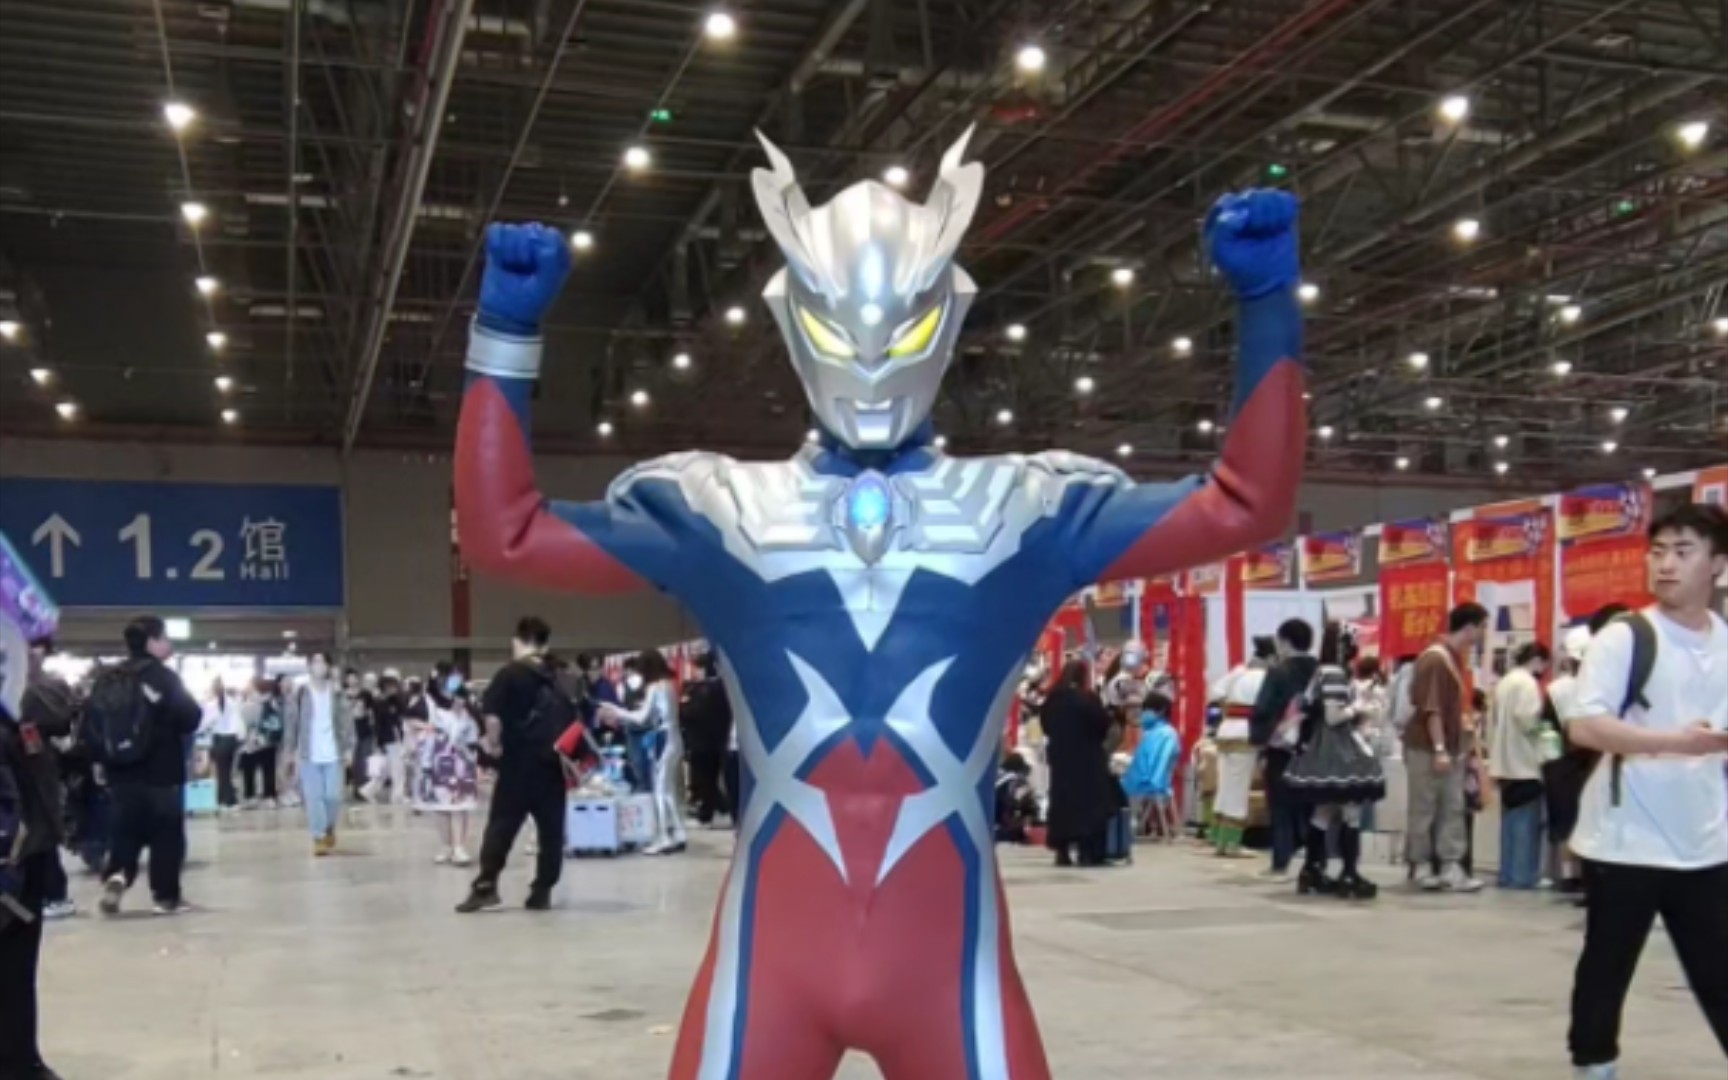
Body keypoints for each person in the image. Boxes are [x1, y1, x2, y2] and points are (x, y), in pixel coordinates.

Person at [452, 147, 1307, 1072]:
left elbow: (1245, 502)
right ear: (796, 320)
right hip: (780, 974)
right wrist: (502, 335)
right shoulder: (727, 510)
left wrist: (1269, 304)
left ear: (946, 317)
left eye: (902, 333)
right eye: (839, 332)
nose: (867, 362)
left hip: (936, 974)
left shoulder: (1021, 509)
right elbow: (505, 537)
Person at [1564, 504, 1728, 1079]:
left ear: (1718, 565)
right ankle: (1595, 1066)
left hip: (1704, 840)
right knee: (1607, 967)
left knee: (1719, 971)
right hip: (1624, 839)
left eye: (1683, 552)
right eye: (1657, 552)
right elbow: (1585, 726)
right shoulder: (1626, 637)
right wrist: (1676, 743)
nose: (1666, 565)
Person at [0, 539, 65, 1080]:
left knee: (18, 970)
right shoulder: (18, 691)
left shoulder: (22, 698)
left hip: (30, 847)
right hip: (12, 857)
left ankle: (22, 1058)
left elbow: (60, 716)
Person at [458, 616, 571, 913]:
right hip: (554, 766)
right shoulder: (561, 675)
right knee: (551, 831)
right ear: (545, 643)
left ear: (518, 640)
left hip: (518, 764)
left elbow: (493, 717)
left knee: (502, 825)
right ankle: (542, 890)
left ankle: (487, 885)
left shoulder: (510, 674)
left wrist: (493, 744)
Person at [90, 617, 201, 917]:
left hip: (120, 774)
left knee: (125, 831)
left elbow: (92, 725)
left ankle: (117, 876)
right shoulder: (164, 678)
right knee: (166, 836)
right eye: (164, 638)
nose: (168, 643)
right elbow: (191, 717)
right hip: (162, 772)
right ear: (151, 642)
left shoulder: (108, 678)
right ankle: (165, 897)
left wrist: (100, 761)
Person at [1284, 623, 1385, 899]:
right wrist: (1358, 707)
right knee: (1350, 810)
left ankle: (1311, 870)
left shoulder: (1322, 671)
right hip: (1336, 748)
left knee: (1324, 811)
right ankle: (1349, 873)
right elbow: (1333, 717)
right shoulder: (1335, 674)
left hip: (1321, 747)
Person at [1403, 602, 1489, 893]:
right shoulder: (1436, 659)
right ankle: (1421, 865)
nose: (1483, 634)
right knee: (1424, 806)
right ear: (1470, 627)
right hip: (1426, 747)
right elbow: (1432, 709)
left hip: (1451, 746)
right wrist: (1440, 748)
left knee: (1452, 806)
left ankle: (1451, 866)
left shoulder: (1452, 658)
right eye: (1482, 627)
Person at [1249, 619, 1321, 881]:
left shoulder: (1279, 672)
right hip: (1314, 747)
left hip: (1282, 747)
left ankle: (1281, 863)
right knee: (1310, 805)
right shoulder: (1320, 670)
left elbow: (1263, 708)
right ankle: (1312, 861)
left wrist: (1259, 742)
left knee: (1281, 805)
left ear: (1285, 641)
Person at [601, 649, 686, 856]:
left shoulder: (654, 687)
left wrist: (616, 711)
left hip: (662, 740)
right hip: (675, 738)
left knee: (660, 790)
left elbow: (641, 717)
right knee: (669, 790)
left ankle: (664, 837)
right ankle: (679, 833)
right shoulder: (669, 684)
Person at [1040, 660, 1120, 867]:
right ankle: (1088, 852)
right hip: (1087, 760)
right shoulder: (1087, 699)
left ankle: (1062, 851)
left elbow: (1045, 726)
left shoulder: (1053, 700)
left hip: (1061, 759)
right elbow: (1102, 725)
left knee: (1062, 801)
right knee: (1089, 805)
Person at [1490, 641, 1552, 890]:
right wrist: (1547, 736)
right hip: (1524, 761)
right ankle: (1522, 875)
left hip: (1503, 761)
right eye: (1545, 665)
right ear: (1537, 660)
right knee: (1526, 822)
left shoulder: (1504, 682)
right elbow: (1527, 718)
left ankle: (1507, 873)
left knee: (1509, 822)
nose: (1544, 671)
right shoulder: (1527, 684)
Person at [283, 652, 355, 856]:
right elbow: (291, 724)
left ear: (328, 667)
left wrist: (349, 748)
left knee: (333, 796)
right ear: (309, 667)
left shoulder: (337, 693)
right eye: (315, 662)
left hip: (334, 753)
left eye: (323, 662)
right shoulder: (300, 693)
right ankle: (318, 836)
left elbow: (346, 722)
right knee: (313, 798)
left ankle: (329, 826)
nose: (319, 665)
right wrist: (289, 751)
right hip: (309, 754)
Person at [1211, 636, 1273, 858]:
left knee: (1225, 786)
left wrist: (1228, 707)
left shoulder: (1238, 672)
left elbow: (1215, 694)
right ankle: (1232, 844)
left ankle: (1219, 840)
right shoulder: (1266, 677)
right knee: (1238, 788)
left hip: (1226, 729)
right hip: (1245, 731)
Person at [413, 666, 479, 864]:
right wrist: (427, 730)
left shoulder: (467, 707)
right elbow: (410, 721)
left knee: (460, 806)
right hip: (437, 760)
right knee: (440, 807)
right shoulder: (428, 704)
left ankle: (459, 847)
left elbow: (475, 733)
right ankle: (446, 845)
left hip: (462, 761)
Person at [682, 650, 734, 827]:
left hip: (702, 742)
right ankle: (719, 808)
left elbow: (691, 712)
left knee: (705, 779)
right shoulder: (724, 687)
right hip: (719, 740)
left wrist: (685, 705)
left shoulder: (703, 689)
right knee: (712, 779)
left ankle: (709, 813)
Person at [1122, 691, 1181, 841]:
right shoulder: (1153, 732)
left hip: (1147, 781)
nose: (1144, 714)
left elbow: (1160, 762)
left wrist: (1152, 781)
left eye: (1148, 710)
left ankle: (1125, 826)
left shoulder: (1165, 734)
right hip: (1144, 777)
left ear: (1161, 711)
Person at [238, 678, 282, 808]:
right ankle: (269, 797)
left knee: (249, 771)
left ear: (255, 688)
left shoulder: (248, 705)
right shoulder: (273, 703)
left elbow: (244, 726)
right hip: (269, 741)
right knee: (269, 770)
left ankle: (250, 796)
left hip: (251, 743)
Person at [202, 677, 245, 811]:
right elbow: (239, 721)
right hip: (232, 739)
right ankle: (222, 800)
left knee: (222, 772)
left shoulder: (211, 705)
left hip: (219, 738)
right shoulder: (232, 702)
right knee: (226, 771)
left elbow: (205, 723)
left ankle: (230, 801)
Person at [366, 671, 406, 804]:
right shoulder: (379, 702)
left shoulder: (395, 701)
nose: (393, 688)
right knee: (397, 769)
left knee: (387, 769)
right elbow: (378, 724)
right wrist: (379, 742)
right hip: (389, 739)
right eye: (391, 685)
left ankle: (368, 790)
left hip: (395, 738)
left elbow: (401, 715)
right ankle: (397, 796)